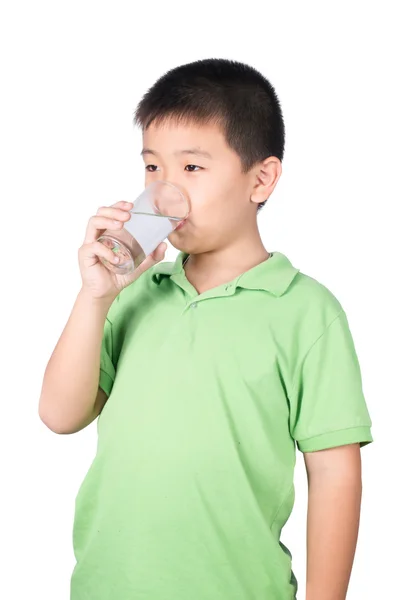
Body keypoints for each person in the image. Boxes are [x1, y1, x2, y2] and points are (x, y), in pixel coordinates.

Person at [39, 58, 372, 600]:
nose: (165, 191)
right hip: (108, 587)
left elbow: (335, 475)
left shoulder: (306, 311)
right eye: (152, 168)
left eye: (192, 168)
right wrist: (94, 296)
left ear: (260, 179)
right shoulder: (135, 295)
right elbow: (59, 414)